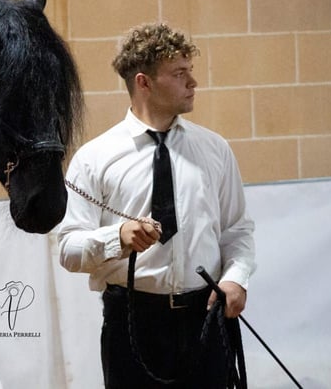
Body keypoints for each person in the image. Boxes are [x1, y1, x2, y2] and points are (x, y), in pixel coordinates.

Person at [57, 23, 255, 388]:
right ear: (144, 82)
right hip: (132, 324)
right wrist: (117, 237)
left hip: (206, 318)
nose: (193, 82)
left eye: (190, 71)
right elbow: (68, 250)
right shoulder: (94, 159)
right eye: (179, 74)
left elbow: (237, 231)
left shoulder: (215, 149)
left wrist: (235, 279)